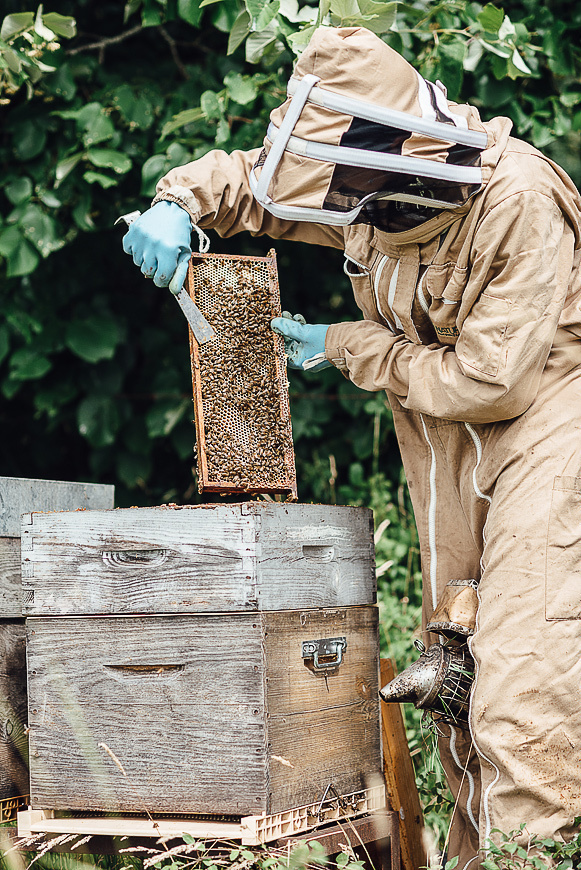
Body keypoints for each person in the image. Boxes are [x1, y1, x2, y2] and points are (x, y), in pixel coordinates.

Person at [122, 26, 581, 868]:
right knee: (457, 683)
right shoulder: (366, 189)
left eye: (346, 185)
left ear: (402, 155)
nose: (333, 202)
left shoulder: (517, 202)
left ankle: (534, 858)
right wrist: (178, 201)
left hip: (545, 439)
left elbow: (493, 381)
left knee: (522, 691)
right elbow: (255, 189)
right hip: (444, 449)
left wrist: (343, 345)